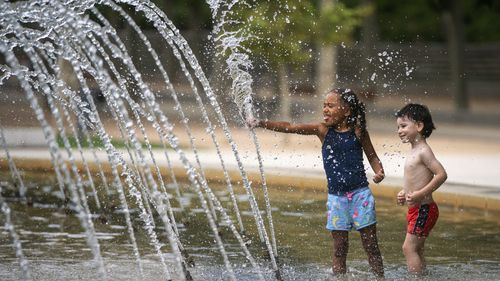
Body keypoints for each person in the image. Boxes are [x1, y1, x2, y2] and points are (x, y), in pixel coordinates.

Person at [247, 88, 385, 277]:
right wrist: (261, 123)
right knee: (339, 248)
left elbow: (372, 156)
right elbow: (290, 126)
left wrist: (379, 171)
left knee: (371, 245)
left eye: (331, 105)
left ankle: (380, 277)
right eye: (324, 106)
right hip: (337, 199)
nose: (325, 110)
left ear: (347, 111)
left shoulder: (359, 132)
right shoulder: (322, 130)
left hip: (361, 195)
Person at [395, 103, 447, 275]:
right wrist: (405, 192)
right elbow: (416, 179)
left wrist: (420, 194)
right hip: (417, 209)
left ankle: (416, 279)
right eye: (398, 127)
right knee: (417, 249)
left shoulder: (424, 151)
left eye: (403, 126)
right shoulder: (414, 150)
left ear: (419, 126)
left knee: (408, 248)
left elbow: (441, 174)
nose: (399, 131)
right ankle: (423, 276)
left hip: (424, 209)